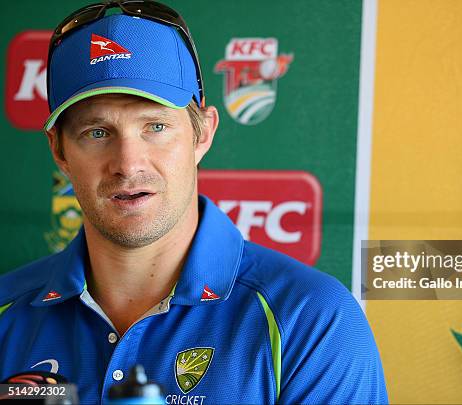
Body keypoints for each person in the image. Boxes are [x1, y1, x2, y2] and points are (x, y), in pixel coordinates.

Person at [0, 1, 387, 404]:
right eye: (97, 133)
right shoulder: (6, 310)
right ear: (59, 151)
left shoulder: (311, 319)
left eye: (156, 126)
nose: (128, 164)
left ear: (202, 135)